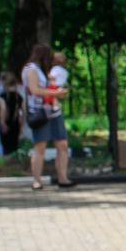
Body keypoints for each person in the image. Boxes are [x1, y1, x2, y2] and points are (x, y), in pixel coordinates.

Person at [22, 44, 72, 190]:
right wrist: (55, 93)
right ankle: (36, 180)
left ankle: (62, 178)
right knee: (40, 146)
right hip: (40, 113)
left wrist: (56, 88)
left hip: (54, 111)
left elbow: (48, 88)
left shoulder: (45, 71)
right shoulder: (30, 69)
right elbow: (35, 90)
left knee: (62, 144)